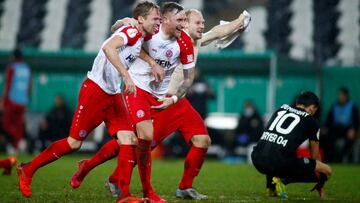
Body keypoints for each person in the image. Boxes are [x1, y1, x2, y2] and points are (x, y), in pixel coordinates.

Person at [70, 5, 251, 200]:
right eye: (197, 22)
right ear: (180, 22)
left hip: (177, 101)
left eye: (202, 23)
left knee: (202, 140)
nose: (202, 26)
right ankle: (99, 171)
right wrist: (125, 22)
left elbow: (216, 32)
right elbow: (133, 35)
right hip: (156, 100)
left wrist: (240, 21)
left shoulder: (192, 41)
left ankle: (185, 187)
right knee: (136, 143)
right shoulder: (158, 34)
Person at [17, 2, 160, 201]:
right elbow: (108, 47)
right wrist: (126, 75)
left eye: (160, 19)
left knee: (129, 139)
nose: (158, 22)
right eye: (155, 18)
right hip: (96, 91)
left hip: (112, 93)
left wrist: (151, 61)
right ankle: (28, 169)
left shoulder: (141, 32)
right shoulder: (133, 31)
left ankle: (124, 196)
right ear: (141, 19)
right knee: (74, 143)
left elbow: (120, 35)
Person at [251, 91, 332, 200]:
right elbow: (315, 156)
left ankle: (271, 188)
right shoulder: (312, 121)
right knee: (326, 170)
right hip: (278, 162)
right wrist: (320, 181)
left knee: (276, 149)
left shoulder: (281, 109)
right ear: (312, 108)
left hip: (256, 157)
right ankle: (284, 180)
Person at [2, 48, 32, 152]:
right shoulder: (27, 68)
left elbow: (8, 85)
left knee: (6, 124)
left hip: (12, 100)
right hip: (23, 101)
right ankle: (18, 144)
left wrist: (4, 101)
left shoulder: (12, 68)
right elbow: (29, 86)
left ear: (13, 57)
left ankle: (15, 142)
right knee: (18, 124)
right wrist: (27, 100)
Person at [322, 87, 359, 163]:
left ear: (346, 96)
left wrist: (353, 129)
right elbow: (329, 120)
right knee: (326, 137)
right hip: (336, 129)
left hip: (347, 129)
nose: (340, 97)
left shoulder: (352, 106)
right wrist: (325, 128)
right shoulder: (334, 106)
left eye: (341, 95)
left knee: (350, 139)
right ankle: (329, 159)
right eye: (339, 95)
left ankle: (343, 159)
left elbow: (356, 121)